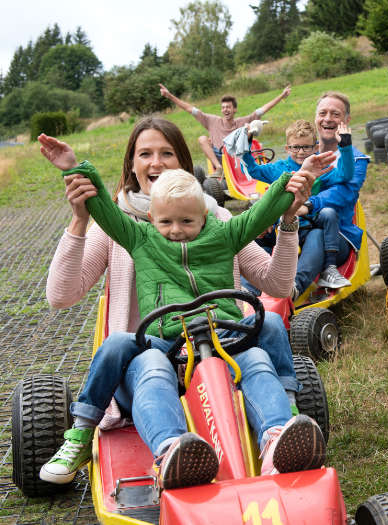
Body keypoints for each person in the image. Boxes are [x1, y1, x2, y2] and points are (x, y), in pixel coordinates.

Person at [38, 118, 320, 488]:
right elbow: (60, 295)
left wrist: (288, 203)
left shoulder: (218, 224)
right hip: (154, 352)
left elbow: (276, 274)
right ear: (132, 165)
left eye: (166, 153)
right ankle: (170, 449)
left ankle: (277, 434)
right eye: (145, 154)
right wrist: (78, 199)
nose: (156, 163)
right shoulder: (131, 232)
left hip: (219, 349)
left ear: (185, 165)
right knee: (149, 361)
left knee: (256, 351)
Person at [241, 118, 355, 291]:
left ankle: (307, 281)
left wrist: (345, 148)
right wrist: (246, 143)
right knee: (254, 236)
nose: (301, 152)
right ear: (287, 148)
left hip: (308, 227)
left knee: (325, 220)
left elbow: (345, 175)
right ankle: (249, 287)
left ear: (315, 147)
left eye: (306, 147)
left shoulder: (320, 169)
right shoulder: (279, 169)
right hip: (282, 226)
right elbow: (253, 170)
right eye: (295, 147)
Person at [291, 92, 370, 299]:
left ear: (346, 121)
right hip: (300, 227)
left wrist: (308, 205)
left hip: (338, 235)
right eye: (322, 113)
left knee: (317, 233)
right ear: (316, 118)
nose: (328, 119)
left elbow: (344, 193)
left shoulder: (357, 159)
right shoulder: (305, 154)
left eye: (335, 114)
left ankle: (294, 290)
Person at [159, 83, 291, 173]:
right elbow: (190, 109)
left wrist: (281, 96)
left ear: (234, 109)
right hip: (220, 157)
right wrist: (169, 96)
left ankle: (260, 169)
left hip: (237, 156)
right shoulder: (212, 120)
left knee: (253, 136)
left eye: (228, 107)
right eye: (223, 107)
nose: (225, 110)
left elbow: (263, 110)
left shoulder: (242, 121)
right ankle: (218, 169)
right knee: (202, 139)